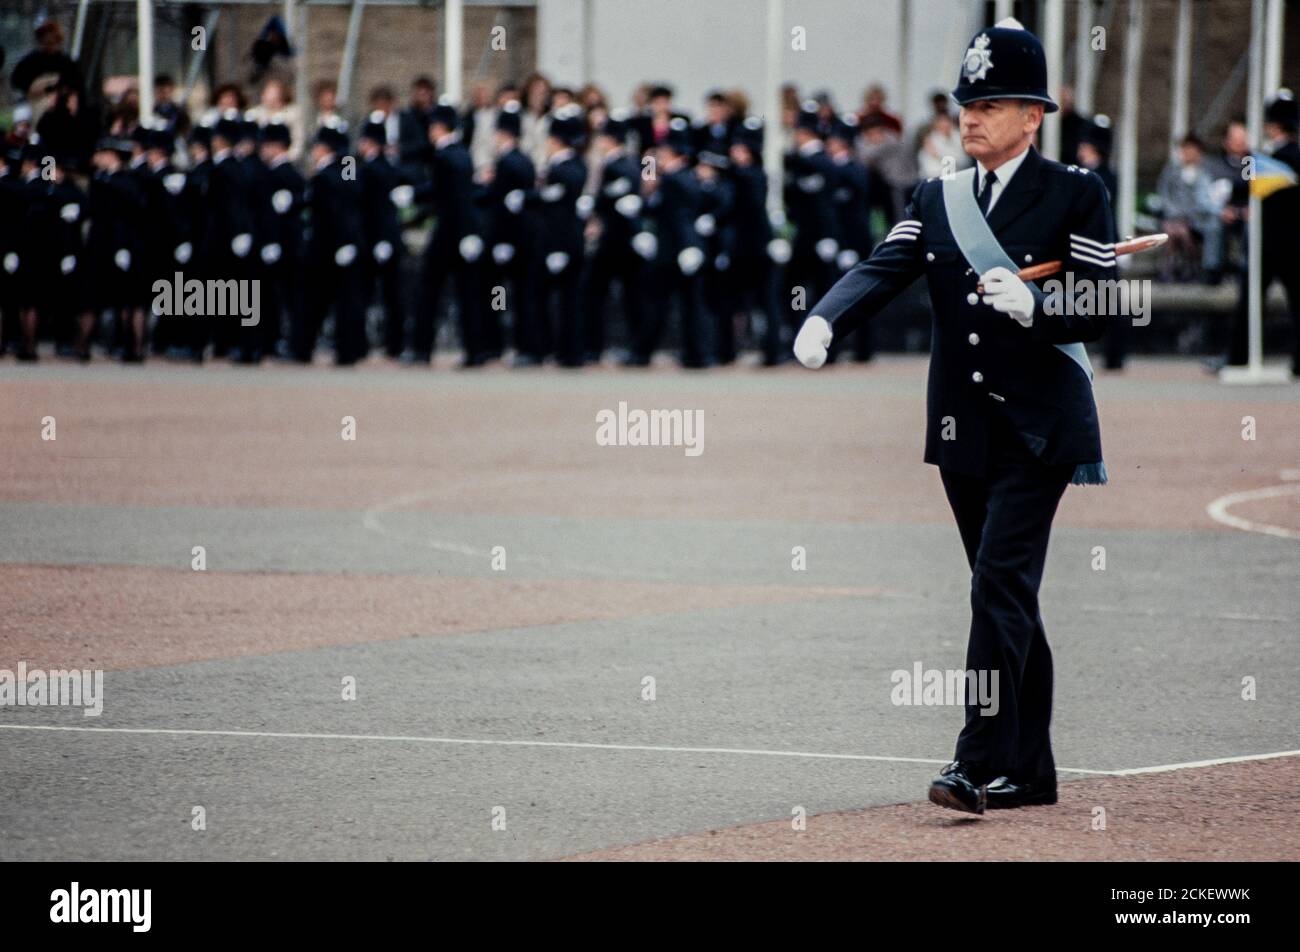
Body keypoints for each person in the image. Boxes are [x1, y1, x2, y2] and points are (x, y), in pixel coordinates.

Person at [793, 18, 1116, 814]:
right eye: (967, 102)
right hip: (962, 429)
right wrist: (827, 319)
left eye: (993, 103)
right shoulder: (937, 196)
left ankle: (973, 760)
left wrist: (1041, 305)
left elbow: (1112, 303)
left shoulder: (1077, 192)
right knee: (1003, 593)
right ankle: (1031, 771)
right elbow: (884, 264)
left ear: (1033, 116)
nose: (972, 116)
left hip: (1041, 428)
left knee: (997, 587)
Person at [627, 117, 712, 367]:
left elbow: (683, 216)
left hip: (678, 250)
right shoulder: (673, 177)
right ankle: (655, 352)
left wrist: (690, 246)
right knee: (669, 305)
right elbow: (650, 195)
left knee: (678, 306)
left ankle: (692, 354)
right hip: (670, 249)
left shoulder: (680, 178)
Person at [1227, 91, 1300, 376]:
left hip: (1269, 243)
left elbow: (1243, 188)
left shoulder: (1273, 160)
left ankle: (1238, 357)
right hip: (1294, 243)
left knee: (1250, 302)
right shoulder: (1288, 157)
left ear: (1273, 125)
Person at [409, 101, 485, 366]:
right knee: (467, 295)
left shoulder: (445, 155)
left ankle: (421, 349)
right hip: (462, 232)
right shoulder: (461, 153)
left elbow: (448, 196)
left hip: (449, 233)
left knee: (429, 291)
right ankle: (476, 351)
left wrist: (413, 196)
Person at [299, 120, 368, 365]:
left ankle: (340, 349)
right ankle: (312, 347)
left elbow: (346, 202)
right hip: (335, 243)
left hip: (329, 244)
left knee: (327, 300)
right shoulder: (340, 167)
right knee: (328, 300)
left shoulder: (334, 170)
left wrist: (347, 240)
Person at [581, 109, 646, 365]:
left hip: (621, 241)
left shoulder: (624, 164)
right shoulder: (610, 164)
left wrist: (598, 204)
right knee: (598, 294)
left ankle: (634, 350)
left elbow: (626, 194)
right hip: (610, 239)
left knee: (627, 296)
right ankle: (595, 347)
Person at [530, 105, 588, 367]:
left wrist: (559, 248)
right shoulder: (571, 165)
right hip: (563, 242)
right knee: (565, 300)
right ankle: (560, 350)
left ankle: (559, 350)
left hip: (561, 243)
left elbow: (560, 213)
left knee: (559, 300)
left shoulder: (565, 169)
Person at [480, 101, 538, 363]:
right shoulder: (524, 160)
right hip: (522, 238)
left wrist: (503, 240)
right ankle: (522, 344)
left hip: (508, 238)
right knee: (520, 294)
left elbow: (503, 204)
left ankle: (501, 344)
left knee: (500, 295)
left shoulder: (507, 163)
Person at [356, 113, 408, 359]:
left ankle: (369, 343)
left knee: (373, 294)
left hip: (376, 238)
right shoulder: (386, 165)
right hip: (383, 238)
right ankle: (393, 344)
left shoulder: (371, 169)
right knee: (390, 295)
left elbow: (377, 209)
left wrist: (382, 239)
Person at [1155, 134, 1220, 282]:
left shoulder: (1206, 172)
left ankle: (1191, 267)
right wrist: (1174, 213)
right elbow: (1164, 194)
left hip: (1197, 218)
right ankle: (1169, 269)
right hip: (1173, 217)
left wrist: (1188, 215)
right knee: (1172, 232)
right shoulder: (1171, 171)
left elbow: (1205, 198)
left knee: (1183, 232)